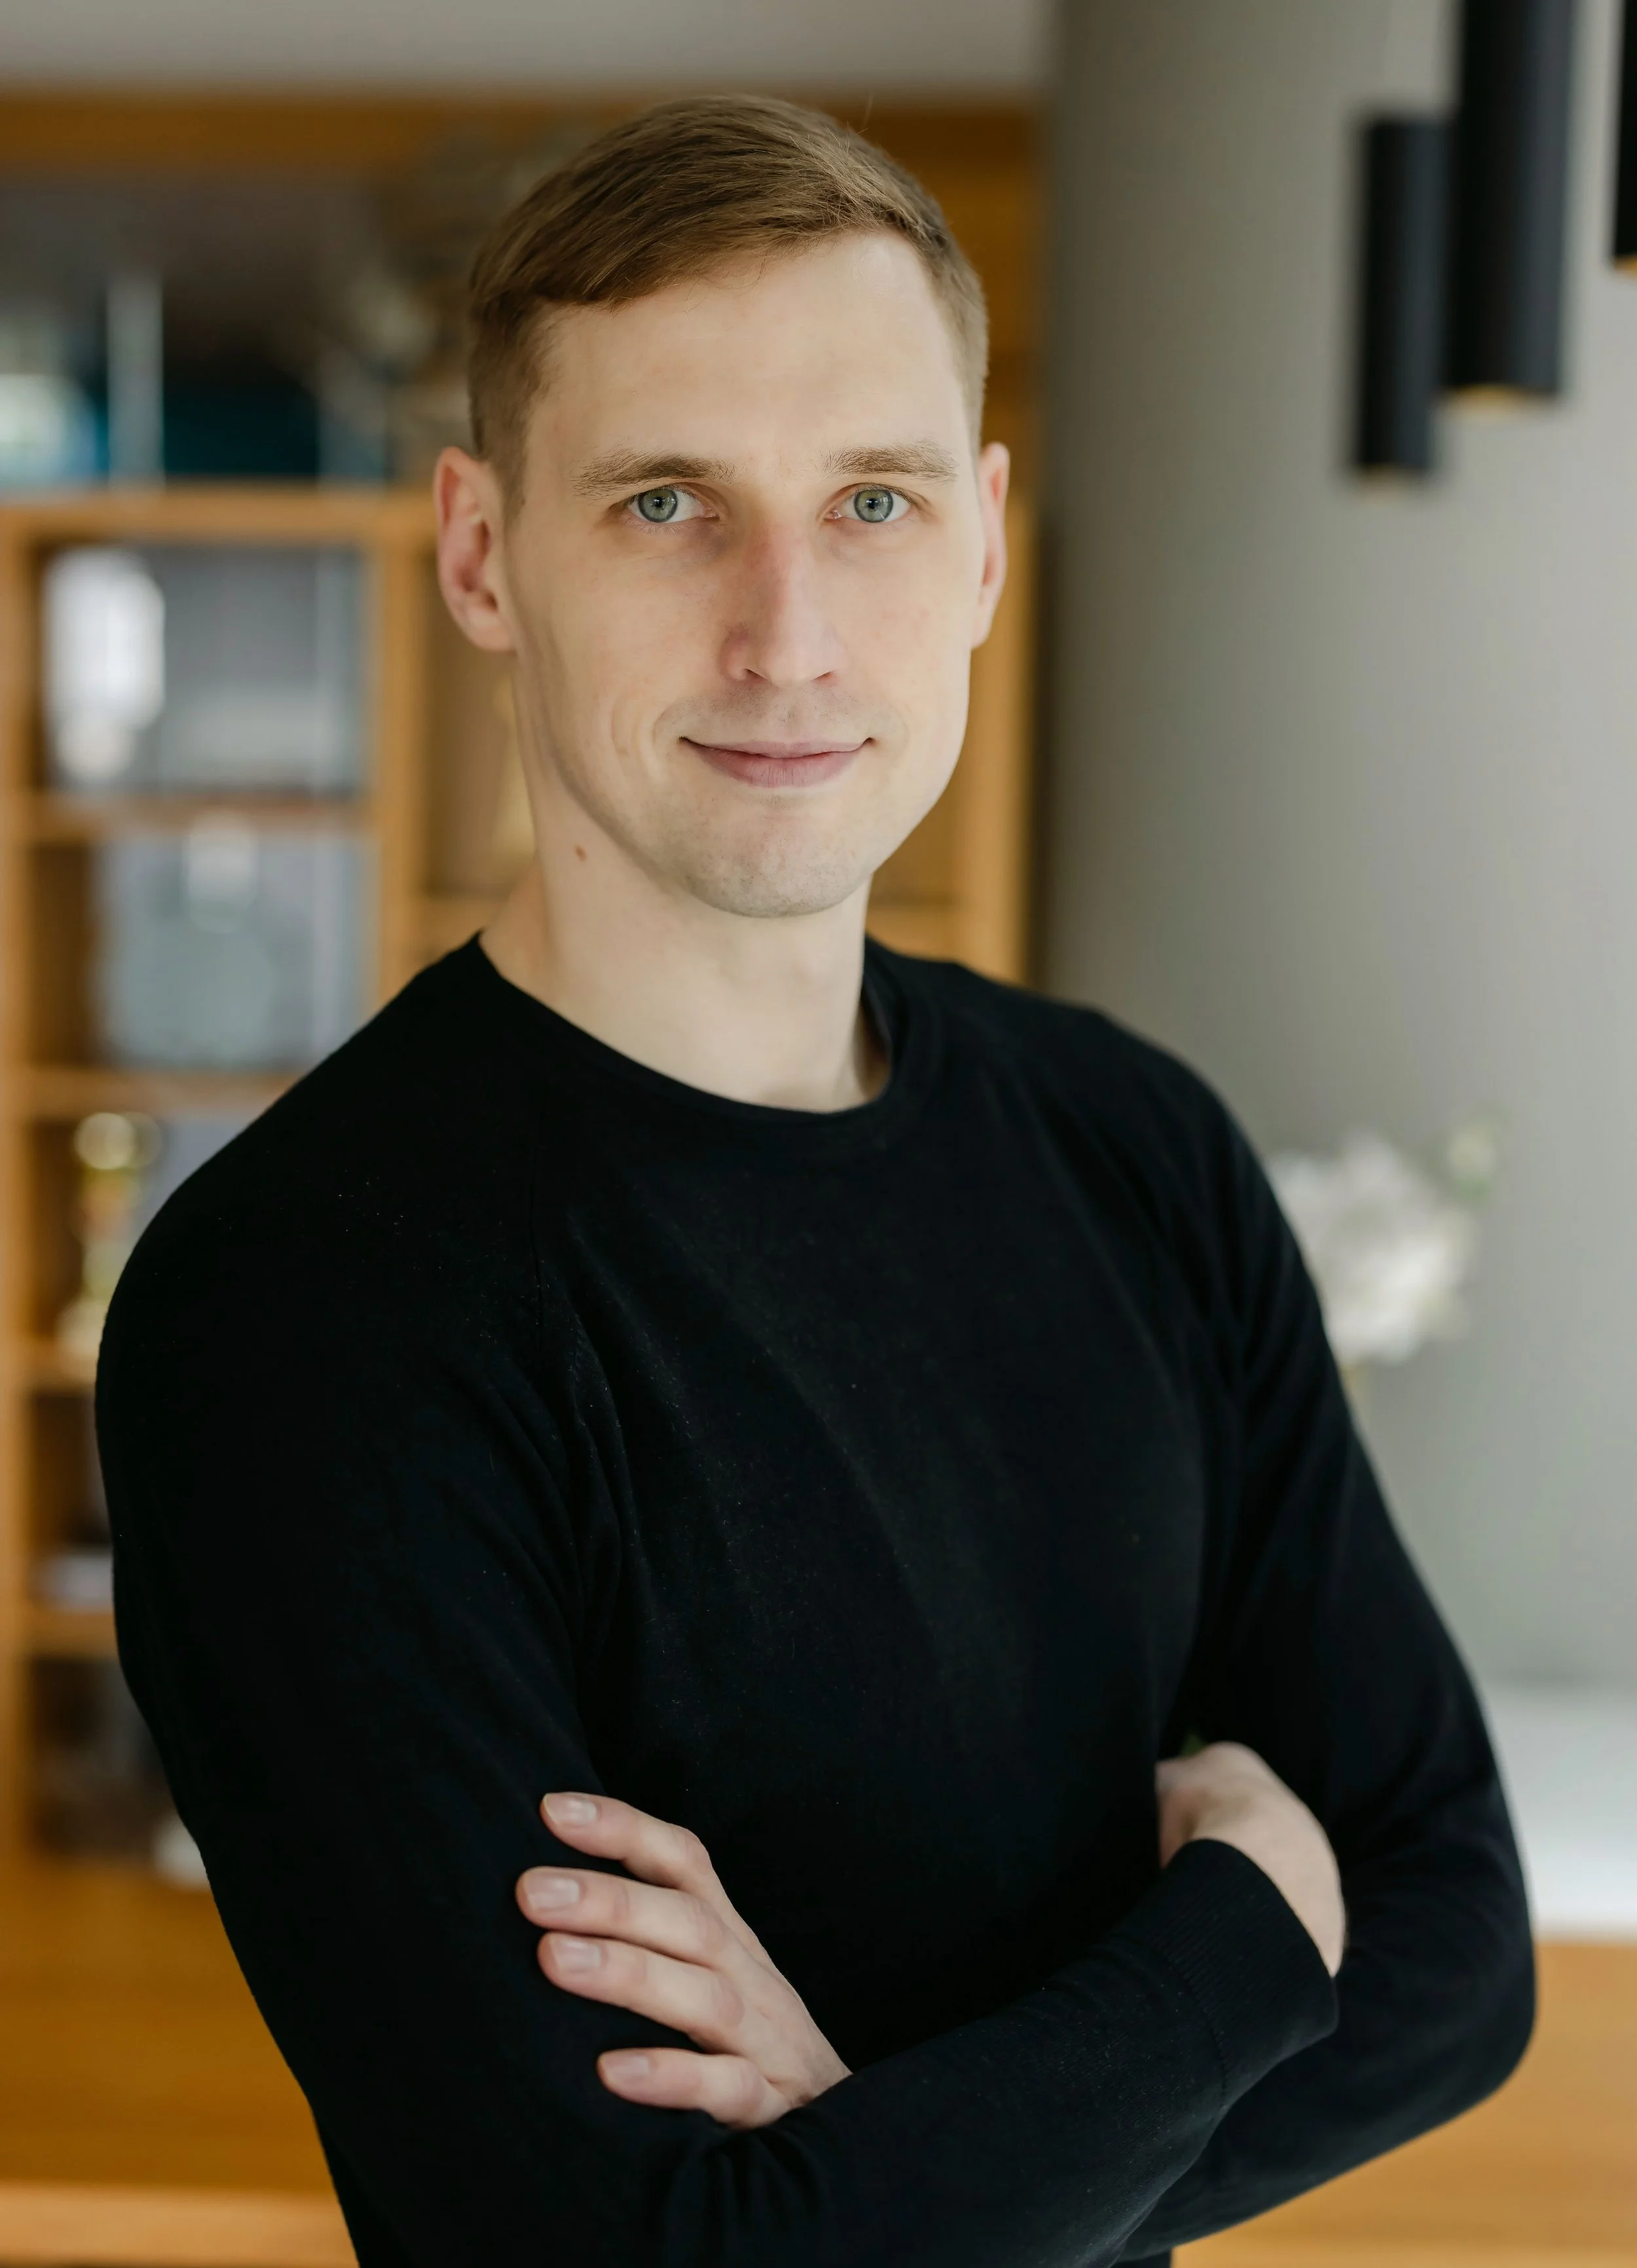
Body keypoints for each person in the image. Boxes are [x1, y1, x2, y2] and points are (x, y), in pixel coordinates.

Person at [98, 95, 1534, 2268]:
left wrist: (872, 2169)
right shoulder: (303, 1307)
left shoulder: (1129, 1143)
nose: (788, 633)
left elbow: (1452, 1942)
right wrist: (1240, 1938)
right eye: (667, 502)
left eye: (866, 501)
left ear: (976, 540)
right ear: (482, 552)